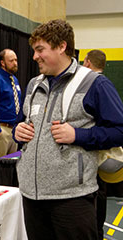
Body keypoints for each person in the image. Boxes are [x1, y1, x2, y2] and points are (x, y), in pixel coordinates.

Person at [13, 19, 123, 240]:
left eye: (40, 49)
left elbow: (119, 130)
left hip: (72, 199)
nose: (34, 57)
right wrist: (18, 131)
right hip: (32, 197)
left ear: (62, 46)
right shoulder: (34, 84)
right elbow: (23, 122)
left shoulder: (94, 84)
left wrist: (78, 135)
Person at [83, 49, 108, 240]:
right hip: (100, 156)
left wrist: (78, 134)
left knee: (97, 197)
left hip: (96, 155)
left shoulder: (95, 85)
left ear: (88, 62)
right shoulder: (104, 85)